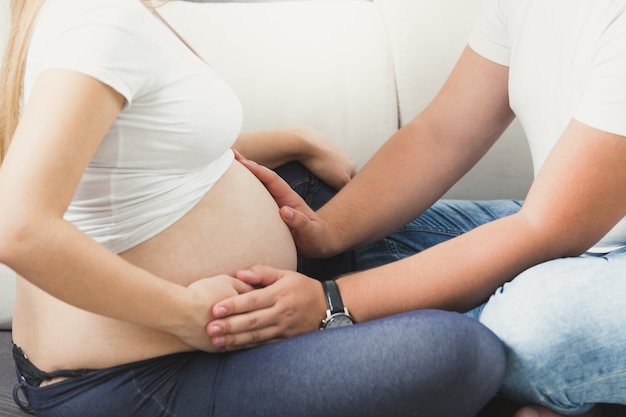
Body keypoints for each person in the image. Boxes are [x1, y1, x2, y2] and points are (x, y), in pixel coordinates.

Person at [0, 0, 507, 416]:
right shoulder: (99, 23)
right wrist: (183, 315)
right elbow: (17, 228)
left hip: (229, 311)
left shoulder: (115, 14)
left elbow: (158, 144)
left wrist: (295, 139)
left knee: (500, 244)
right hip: (141, 378)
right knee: (460, 355)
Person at [206, 1, 626, 416]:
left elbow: (546, 227)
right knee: (358, 240)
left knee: (536, 330)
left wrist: (332, 303)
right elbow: (441, 133)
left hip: (563, 228)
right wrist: (329, 229)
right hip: (568, 220)